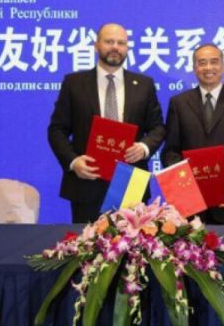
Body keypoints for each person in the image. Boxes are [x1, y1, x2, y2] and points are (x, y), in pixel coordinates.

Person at [48, 23, 165, 223]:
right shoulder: (74, 83)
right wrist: (73, 162)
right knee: (86, 242)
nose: (115, 47)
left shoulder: (144, 85)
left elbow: (158, 128)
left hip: (131, 182)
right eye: (109, 41)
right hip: (87, 181)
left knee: (132, 242)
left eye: (121, 43)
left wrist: (144, 147)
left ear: (127, 48)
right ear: (96, 45)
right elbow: (57, 130)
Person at [161, 43, 224, 225]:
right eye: (202, 63)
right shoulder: (179, 103)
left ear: (223, 66)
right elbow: (170, 151)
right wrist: (185, 185)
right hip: (191, 204)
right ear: (194, 68)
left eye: (214, 62)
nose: (208, 68)